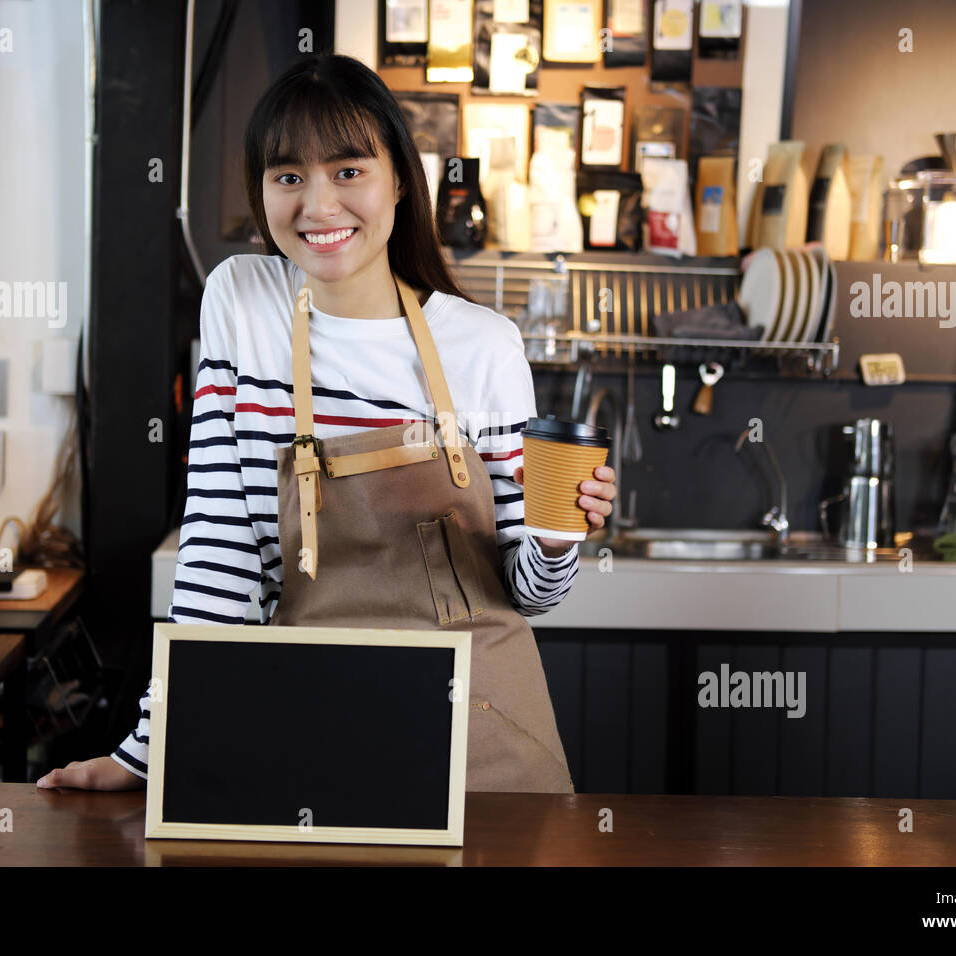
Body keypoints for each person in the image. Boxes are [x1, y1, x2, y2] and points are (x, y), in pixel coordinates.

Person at [38, 53, 615, 793]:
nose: (318, 205)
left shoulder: (483, 347)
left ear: (401, 179)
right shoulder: (242, 304)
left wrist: (557, 532)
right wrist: (150, 749)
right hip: (310, 726)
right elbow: (222, 552)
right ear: (263, 190)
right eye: (288, 177)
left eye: (348, 171)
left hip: (480, 743)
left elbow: (528, 591)